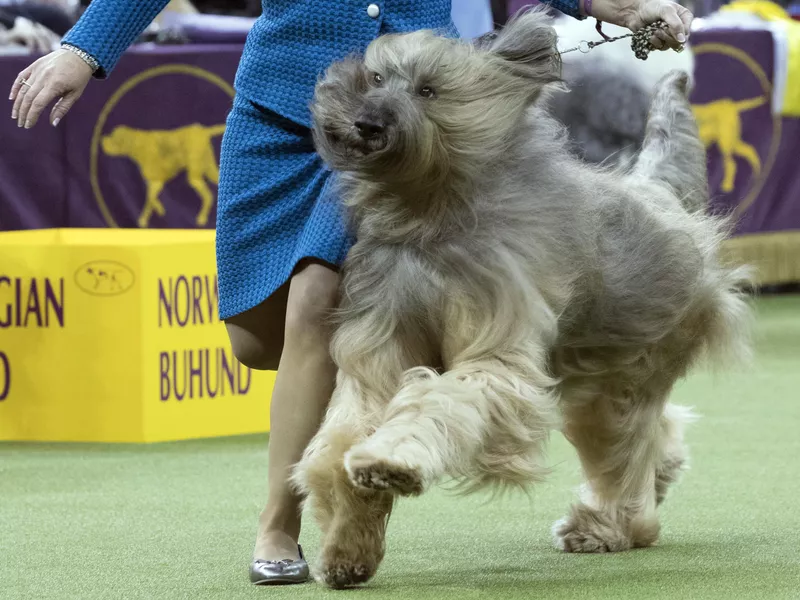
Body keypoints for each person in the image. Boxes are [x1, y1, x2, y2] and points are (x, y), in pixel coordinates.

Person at [8, 0, 693, 586]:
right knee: (257, 340)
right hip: (287, 112)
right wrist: (83, 49)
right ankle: (379, 415)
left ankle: (282, 528)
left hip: (412, 129)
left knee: (317, 302)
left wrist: (628, 8)